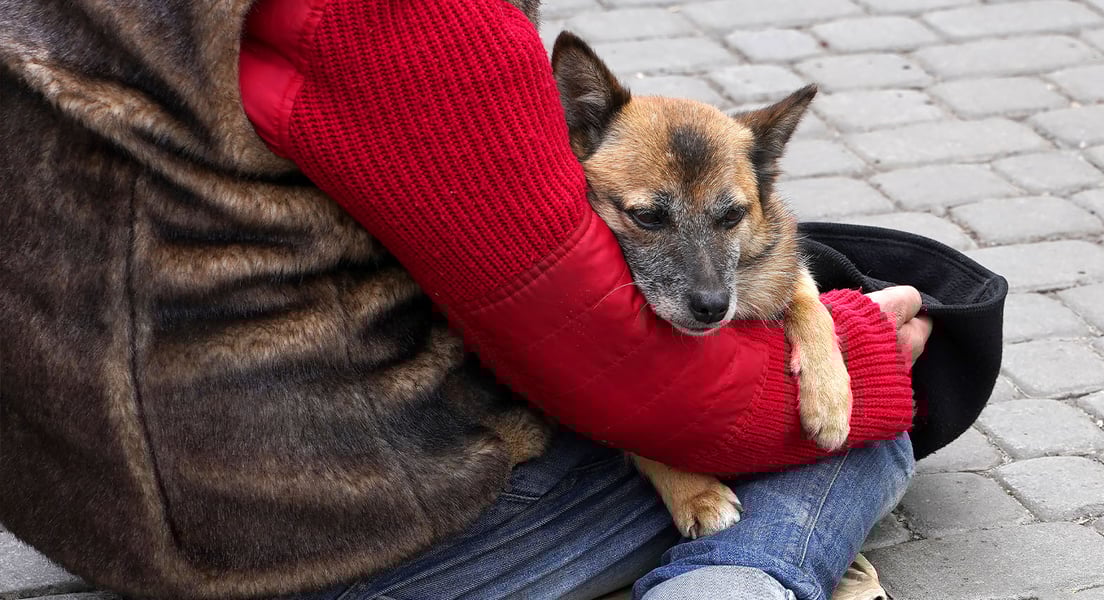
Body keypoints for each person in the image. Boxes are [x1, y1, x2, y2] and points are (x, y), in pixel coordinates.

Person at [0, 0, 934, 598]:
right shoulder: (415, 25)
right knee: (859, 424)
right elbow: (600, 362)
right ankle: (741, 582)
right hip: (305, 537)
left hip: (93, 496)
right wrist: (854, 348)